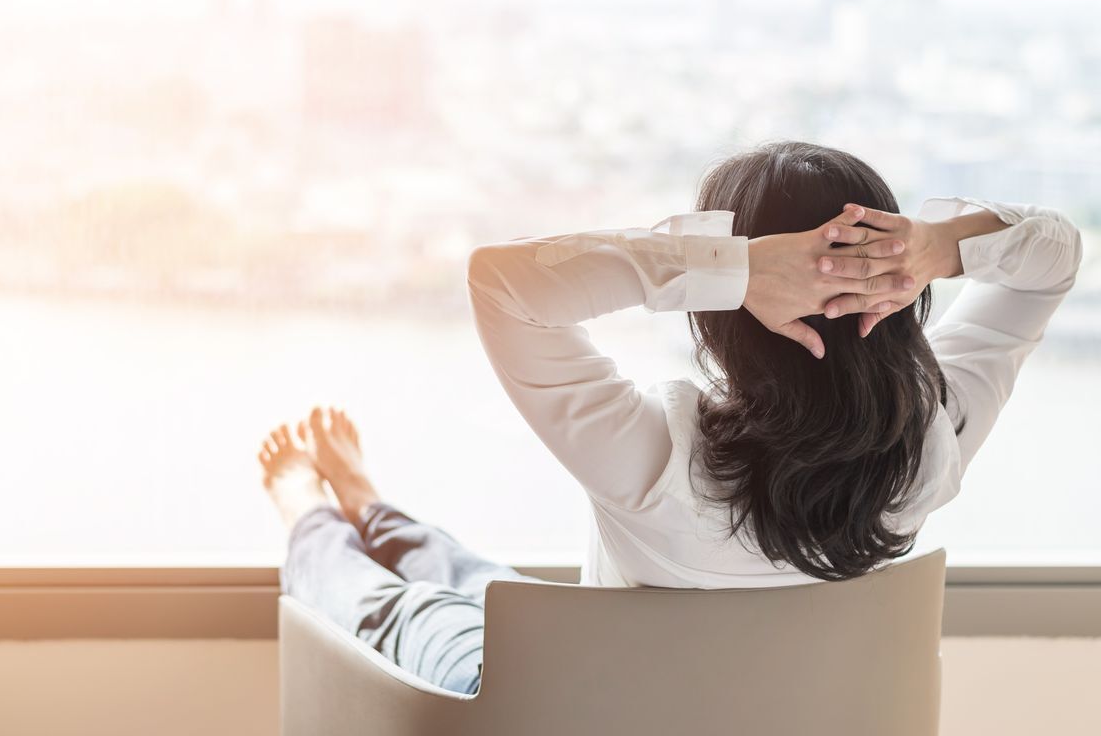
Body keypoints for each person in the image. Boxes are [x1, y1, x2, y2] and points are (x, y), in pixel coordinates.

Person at [259, 141, 1083, 694]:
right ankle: (373, 506)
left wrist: (731, 269)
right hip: (670, 696)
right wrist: (939, 246)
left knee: (400, 608)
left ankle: (312, 508)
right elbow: (1054, 260)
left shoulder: (656, 463)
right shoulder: (935, 447)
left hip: (561, 710)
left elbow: (502, 283)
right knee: (484, 584)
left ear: (725, 311)